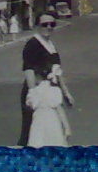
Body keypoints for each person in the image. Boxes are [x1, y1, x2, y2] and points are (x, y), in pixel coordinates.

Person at [19, 13, 74, 146]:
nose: (49, 27)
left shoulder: (50, 44)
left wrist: (66, 93)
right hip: (38, 93)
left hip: (51, 93)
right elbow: (29, 70)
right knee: (32, 131)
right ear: (38, 26)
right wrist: (34, 94)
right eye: (45, 24)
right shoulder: (33, 44)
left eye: (52, 24)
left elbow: (57, 71)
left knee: (52, 130)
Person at [26, 63, 71, 146]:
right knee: (54, 141)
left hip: (39, 119)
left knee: (38, 141)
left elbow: (30, 106)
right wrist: (67, 127)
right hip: (52, 119)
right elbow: (60, 110)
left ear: (37, 77)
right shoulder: (54, 91)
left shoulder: (34, 92)